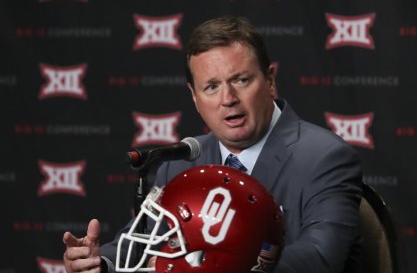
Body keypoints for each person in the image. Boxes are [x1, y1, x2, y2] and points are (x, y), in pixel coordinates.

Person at [63, 15, 363, 273]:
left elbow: (323, 256)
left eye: (241, 80)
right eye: (211, 87)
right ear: (194, 97)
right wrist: (100, 263)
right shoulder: (181, 162)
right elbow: (143, 241)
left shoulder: (324, 157)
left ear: (270, 81)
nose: (227, 99)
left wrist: (228, 265)